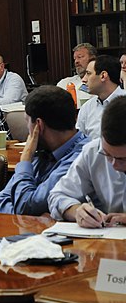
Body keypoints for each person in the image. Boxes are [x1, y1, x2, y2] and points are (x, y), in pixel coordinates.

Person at [0, 86, 88, 215]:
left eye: (27, 122)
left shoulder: (82, 157)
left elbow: (26, 206)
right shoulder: (41, 151)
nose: (27, 129)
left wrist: (25, 161)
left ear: (38, 125)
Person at [49, 95, 126, 228]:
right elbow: (57, 195)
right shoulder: (93, 151)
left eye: (122, 159)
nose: (114, 164)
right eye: (107, 154)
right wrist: (76, 211)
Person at [78, 54, 126, 139]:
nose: (84, 80)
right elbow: (79, 143)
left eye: (88, 73)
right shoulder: (87, 107)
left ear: (103, 76)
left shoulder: (124, 101)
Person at [57, 42, 97, 107]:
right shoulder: (63, 83)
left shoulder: (99, 83)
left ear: (92, 58)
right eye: (75, 58)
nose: (76, 61)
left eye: (80, 57)